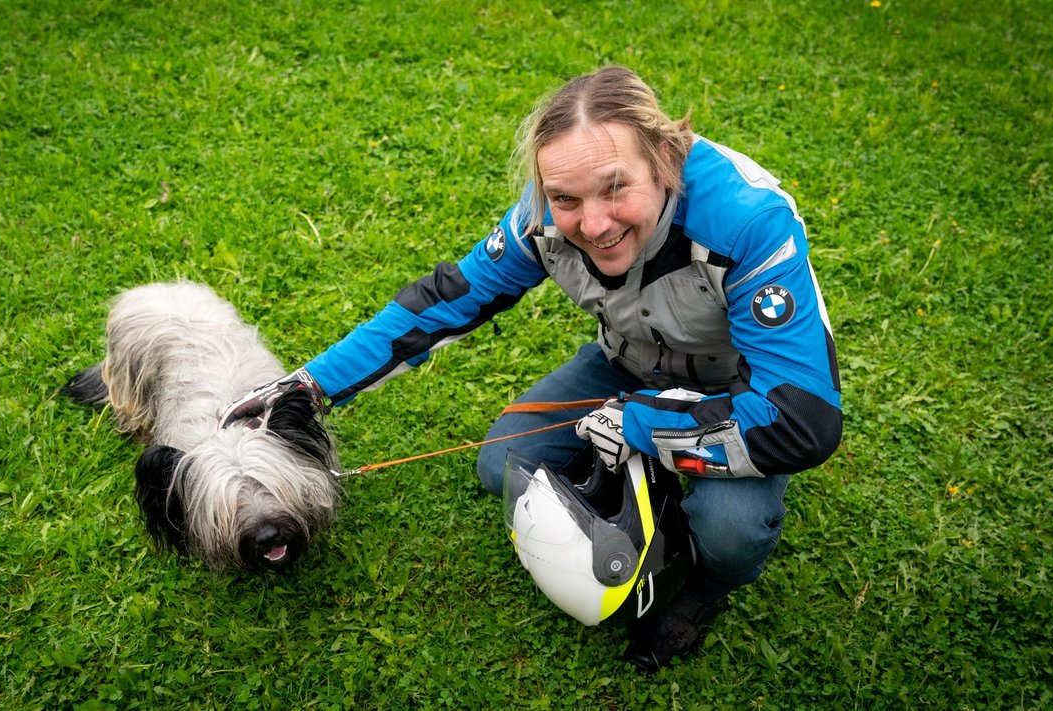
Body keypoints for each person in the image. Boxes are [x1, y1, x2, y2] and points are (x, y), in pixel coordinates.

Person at [223, 66, 842, 670]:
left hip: (742, 390)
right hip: (628, 364)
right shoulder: (541, 215)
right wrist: (308, 385)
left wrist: (641, 426)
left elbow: (802, 421)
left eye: (615, 188)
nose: (593, 224)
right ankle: (651, 485)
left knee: (730, 530)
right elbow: (447, 300)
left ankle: (701, 591)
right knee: (501, 467)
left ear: (665, 159)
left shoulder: (749, 220)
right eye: (566, 198)